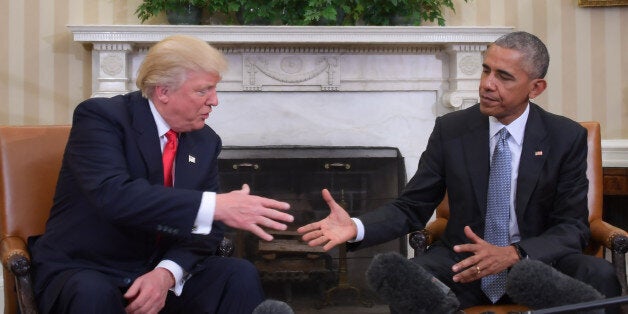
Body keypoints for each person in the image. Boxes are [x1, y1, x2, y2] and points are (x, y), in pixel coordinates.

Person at [298, 31, 621, 312]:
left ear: (535, 88)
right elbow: (412, 206)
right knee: (407, 278)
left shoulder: (564, 137)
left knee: (599, 275)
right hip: (465, 264)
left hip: (537, 264)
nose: (487, 85)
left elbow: (572, 227)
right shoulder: (452, 130)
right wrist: (357, 226)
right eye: (485, 70)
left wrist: (514, 254)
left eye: (504, 77)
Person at [29, 35, 295, 314]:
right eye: (203, 90)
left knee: (237, 274)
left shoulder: (204, 141)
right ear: (163, 91)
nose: (214, 101)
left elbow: (206, 230)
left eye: (214, 89)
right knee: (91, 293)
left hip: (156, 268)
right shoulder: (102, 118)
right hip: (89, 266)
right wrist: (216, 205)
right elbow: (115, 196)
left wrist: (167, 273)